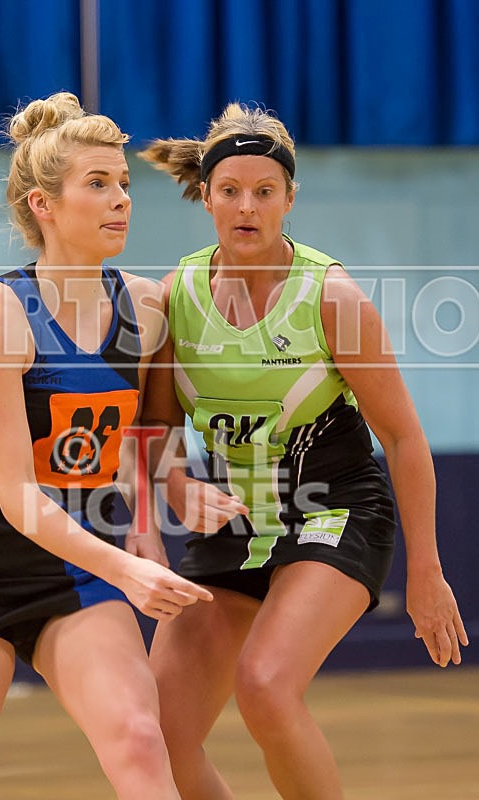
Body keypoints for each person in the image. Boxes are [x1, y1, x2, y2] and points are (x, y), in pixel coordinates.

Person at [138, 102, 468, 800]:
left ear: (290, 198)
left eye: (265, 191)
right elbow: (155, 430)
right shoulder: (175, 296)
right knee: (157, 738)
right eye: (230, 190)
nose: (248, 207)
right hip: (237, 520)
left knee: (264, 686)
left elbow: (405, 439)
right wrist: (173, 487)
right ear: (205, 196)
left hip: (335, 509)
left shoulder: (333, 299)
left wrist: (427, 573)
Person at [0, 91, 212, 800]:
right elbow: (16, 495)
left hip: (80, 571)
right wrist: (129, 569)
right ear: (43, 205)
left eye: (125, 184)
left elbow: (146, 433)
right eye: (97, 184)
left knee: (139, 738)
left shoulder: (148, 305)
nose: (121, 200)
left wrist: (156, 527)